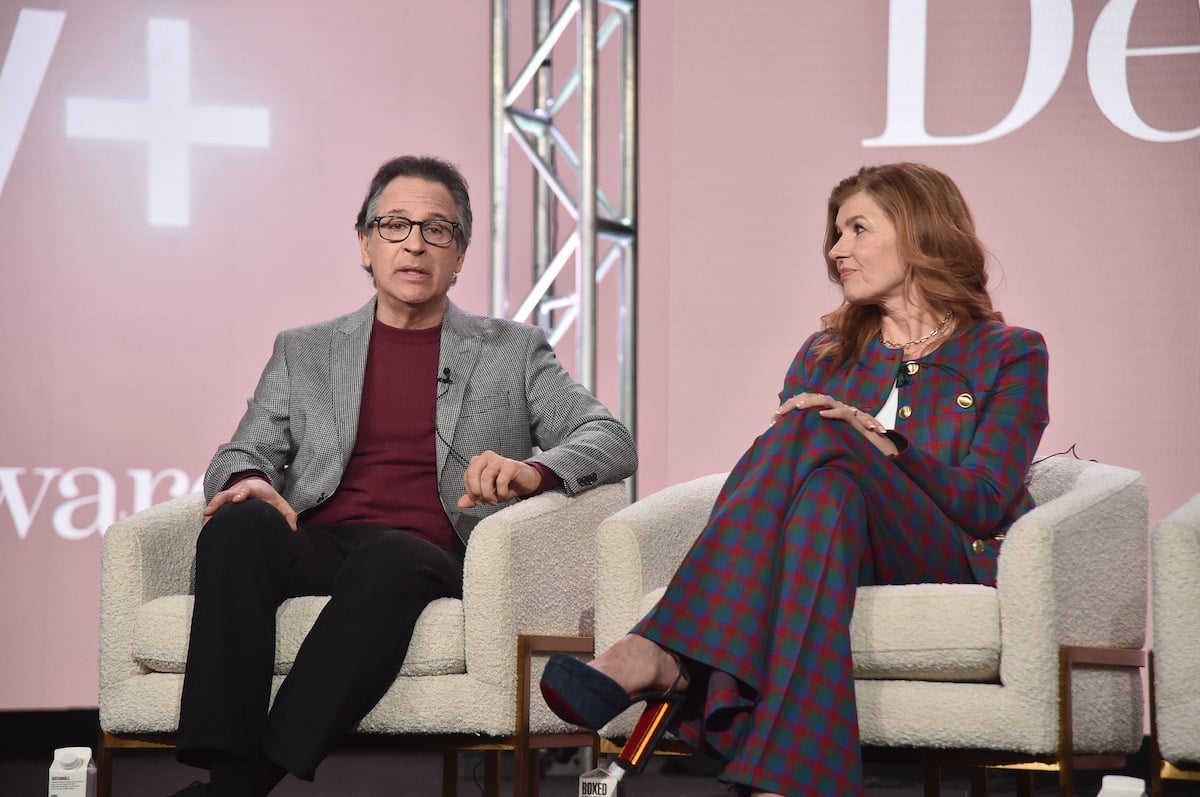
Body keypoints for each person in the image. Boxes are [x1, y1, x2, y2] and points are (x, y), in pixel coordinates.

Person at [540, 162, 1049, 796]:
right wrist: (844, 439)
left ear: (919, 232)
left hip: (942, 547)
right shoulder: (824, 353)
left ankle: (659, 649)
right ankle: (790, 777)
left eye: (858, 229)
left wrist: (883, 444)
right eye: (835, 235)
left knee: (818, 429)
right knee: (825, 496)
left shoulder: (1010, 352)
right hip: (834, 548)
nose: (838, 251)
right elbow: (788, 484)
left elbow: (985, 501)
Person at [170, 155, 638, 797]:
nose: (414, 243)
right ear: (365, 244)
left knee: (389, 556)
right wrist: (248, 477)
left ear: (460, 253)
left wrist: (532, 472)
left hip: (433, 552)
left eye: (436, 229)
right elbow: (236, 452)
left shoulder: (511, 351)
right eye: (394, 225)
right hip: (323, 539)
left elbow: (609, 439)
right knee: (239, 524)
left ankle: (239, 786)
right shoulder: (304, 350)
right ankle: (228, 766)